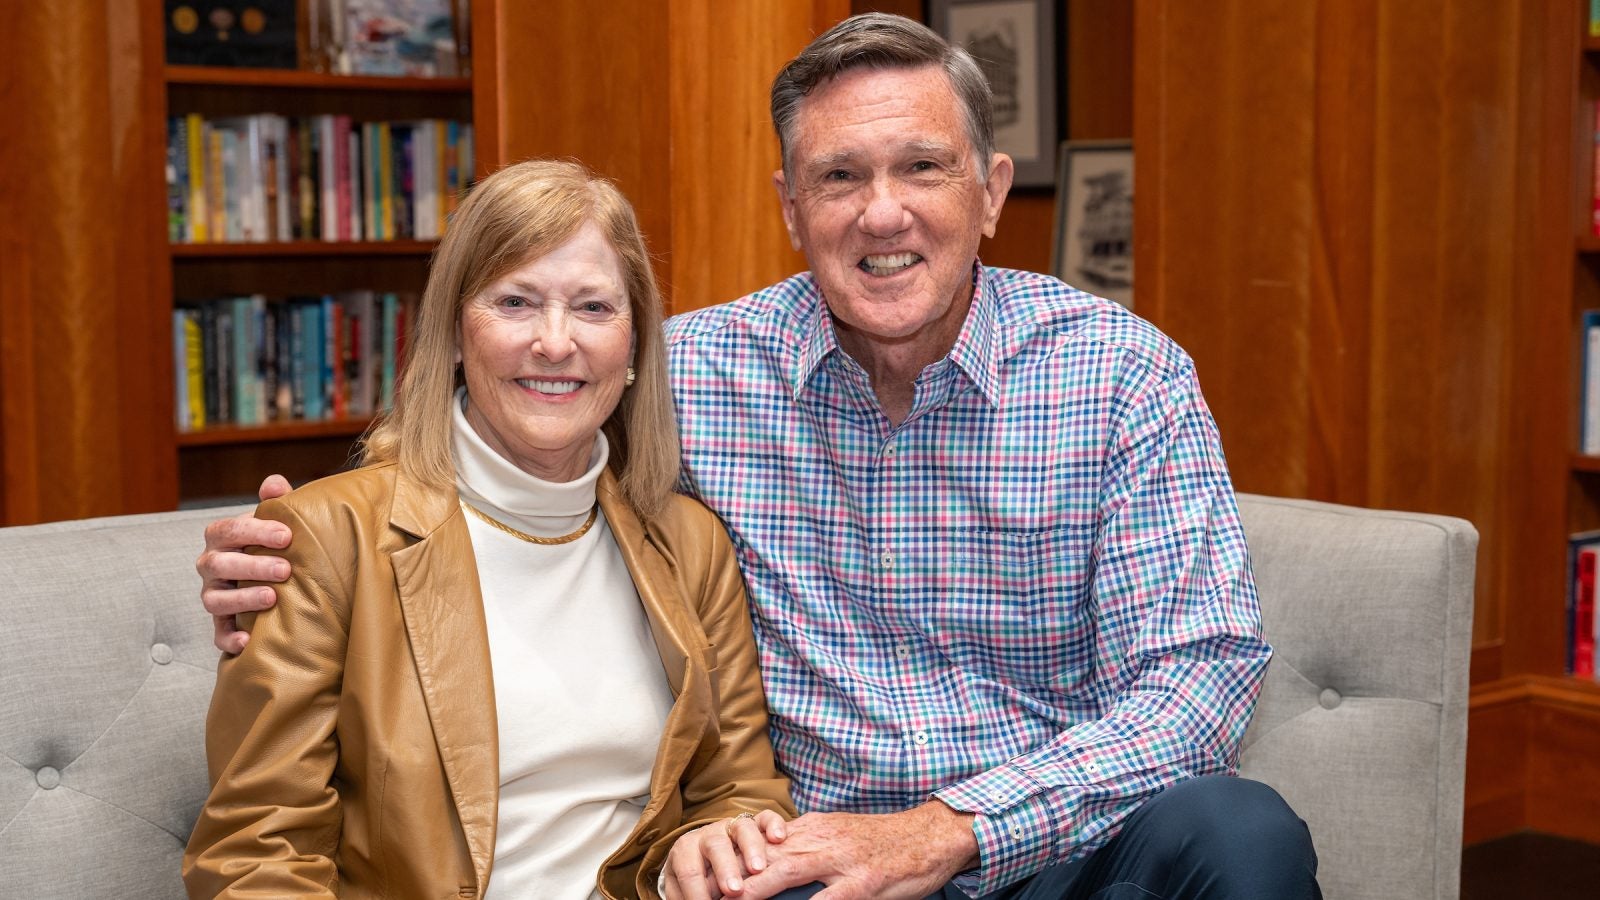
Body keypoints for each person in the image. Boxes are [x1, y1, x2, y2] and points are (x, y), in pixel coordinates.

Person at [198, 14, 1321, 900]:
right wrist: (301, 556)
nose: (882, 214)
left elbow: (1201, 678)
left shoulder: (1120, 374)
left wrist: (952, 830)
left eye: (922, 168)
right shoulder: (688, 373)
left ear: (987, 191)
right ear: (790, 206)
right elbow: (512, 425)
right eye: (838, 177)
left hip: (1064, 848)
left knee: (1242, 831)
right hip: (807, 867)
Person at [181, 159, 795, 900]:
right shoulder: (328, 537)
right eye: (515, 302)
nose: (555, 341)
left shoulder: (691, 543)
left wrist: (723, 839)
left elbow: (739, 790)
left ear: (633, 346)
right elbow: (256, 853)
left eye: (595, 308)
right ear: (454, 331)